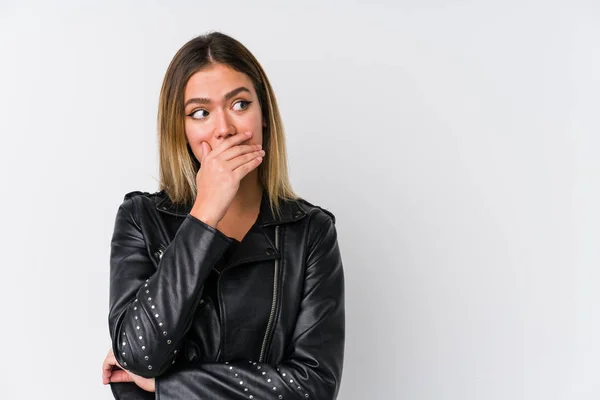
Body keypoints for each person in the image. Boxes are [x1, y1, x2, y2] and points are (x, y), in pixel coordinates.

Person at [101, 31, 345, 399]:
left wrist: (169, 386)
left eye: (240, 105)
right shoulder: (141, 219)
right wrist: (203, 215)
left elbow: (315, 387)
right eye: (200, 113)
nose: (224, 129)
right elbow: (138, 356)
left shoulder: (311, 232)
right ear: (180, 129)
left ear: (264, 116)